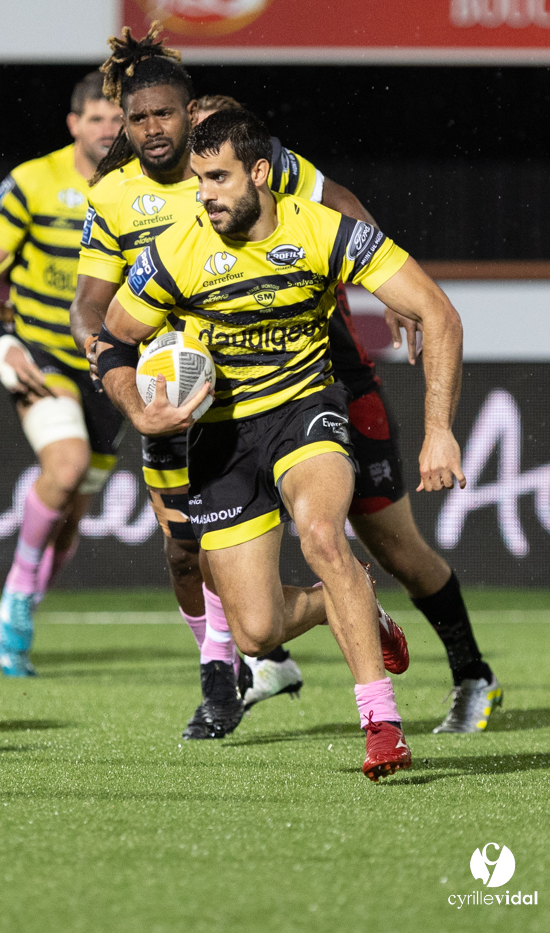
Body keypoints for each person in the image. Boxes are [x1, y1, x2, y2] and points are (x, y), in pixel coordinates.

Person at [95, 108, 465, 781]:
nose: (204, 194)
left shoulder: (323, 231)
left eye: (217, 178)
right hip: (220, 439)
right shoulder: (178, 251)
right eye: (197, 180)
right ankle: (342, 602)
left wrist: (439, 428)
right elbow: (113, 342)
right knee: (256, 633)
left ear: (260, 173)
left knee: (324, 535)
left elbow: (437, 311)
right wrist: (136, 407)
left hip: (305, 412)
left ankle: (381, 725)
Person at [71, 25, 379, 738]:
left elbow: (345, 208)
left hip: (281, 381)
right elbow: (92, 300)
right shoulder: (112, 194)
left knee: (315, 536)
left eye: (164, 115)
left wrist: (380, 286)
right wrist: (104, 348)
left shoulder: (238, 161)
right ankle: (225, 665)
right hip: (176, 389)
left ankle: (231, 677)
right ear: (124, 120)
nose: (152, 129)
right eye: (138, 117)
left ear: (189, 115)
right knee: (185, 548)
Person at [190, 99, 500, 731]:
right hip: (227, 405)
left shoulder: (273, 174)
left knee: (392, 546)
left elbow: (347, 207)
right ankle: (257, 657)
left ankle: (473, 674)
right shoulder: (177, 194)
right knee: (200, 547)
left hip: (332, 383)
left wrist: (387, 281)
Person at [0, 72, 125, 676]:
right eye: (98, 117)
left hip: (113, 366)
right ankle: (16, 609)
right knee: (67, 464)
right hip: (45, 355)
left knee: (72, 516)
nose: (109, 128)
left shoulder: (145, 190)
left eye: (119, 118)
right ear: (74, 124)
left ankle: (11, 619)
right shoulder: (33, 182)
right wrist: (0, 339)